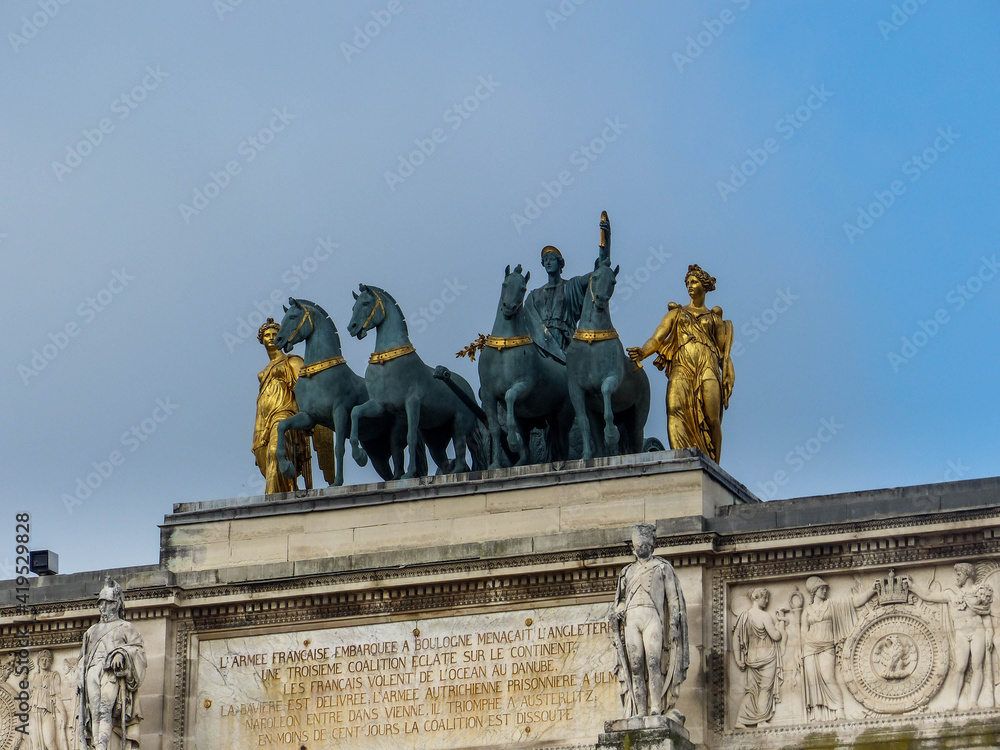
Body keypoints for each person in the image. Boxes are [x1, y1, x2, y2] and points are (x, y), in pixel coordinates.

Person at [628, 265, 734, 462]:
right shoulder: (676, 313)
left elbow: (724, 355)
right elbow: (657, 339)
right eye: (687, 283)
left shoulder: (714, 318)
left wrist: (729, 374)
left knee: (712, 418)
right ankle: (681, 461)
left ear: (704, 285)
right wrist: (643, 352)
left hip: (708, 366)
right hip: (682, 365)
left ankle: (714, 464)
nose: (690, 286)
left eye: (694, 282)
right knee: (674, 408)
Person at [611, 523, 689, 722]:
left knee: (653, 662)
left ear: (652, 545)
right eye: (638, 545)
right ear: (633, 547)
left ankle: (655, 707)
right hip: (632, 619)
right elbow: (621, 600)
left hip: (652, 617)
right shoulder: (627, 572)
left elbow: (673, 599)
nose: (642, 548)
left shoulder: (662, 567)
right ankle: (640, 710)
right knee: (636, 666)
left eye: (645, 545)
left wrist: (673, 625)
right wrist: (619, 609)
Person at [523, 212, 612, 360]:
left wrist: (605, 240)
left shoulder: (572, 285)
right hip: (539, 345)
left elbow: (599, 273)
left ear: (560, 263)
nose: (548, 262)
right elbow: (525, 321)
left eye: (552, 259)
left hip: (565, 343)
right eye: (545, 260)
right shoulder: (534, 295)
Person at [908, 563, 995, 709]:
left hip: (978, 630)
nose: (957, 578)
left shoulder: (979, 591)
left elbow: (985, 613)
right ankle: (954, 700)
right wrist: (912, 587)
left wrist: (990, 632)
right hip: (961, 632)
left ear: (967, 575)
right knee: (960, 667)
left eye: (959, 575)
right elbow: (929, 596)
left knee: (977, 666)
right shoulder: (951, 594)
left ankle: (973, 701)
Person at [77, 578, 146, 750]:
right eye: (101, 603)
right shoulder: (91, 631)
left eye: (106, 603)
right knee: (94, 710)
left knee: (105, 708)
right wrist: (79, 675)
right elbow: (82, 657)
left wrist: (122, 654)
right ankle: (96, 743)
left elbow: (138, 650)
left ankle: (102, 743)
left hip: (110, 672)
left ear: (116, 604)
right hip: (92, 670)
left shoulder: (125, 627)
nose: (102, 607)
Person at [800, 576, 876, 722]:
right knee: (813, 681)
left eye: (825, 589)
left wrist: (872, 590)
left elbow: (854, 602)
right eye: (822, 588)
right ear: (814, 591)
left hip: (827, 645)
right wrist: (799, 651)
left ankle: (839, 708)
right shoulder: (807, 611)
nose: (825, 591)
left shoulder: (832, 605)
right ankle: (817, 712)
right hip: (810, 647)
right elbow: (803, 631)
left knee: (828, 677)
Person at [253, 318, 312, 494]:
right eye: (267, 335)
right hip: (263, 419)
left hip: (285, 414)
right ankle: (286, 492)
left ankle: (273, 501)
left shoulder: (292, 361)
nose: (271, 337)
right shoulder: (264, 370)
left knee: (275, 452)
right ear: (262, 340)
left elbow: (304, 390)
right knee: (263, 459)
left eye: (275, 334)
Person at [732, 588, 786, 728]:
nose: (767, 601)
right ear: (757, 598)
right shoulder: (764, 616)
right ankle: (761, 721)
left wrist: (738, 659)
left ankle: (740, 720)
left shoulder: (743, 617)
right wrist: (781, 624)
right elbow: (776, 636)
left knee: (751, 690)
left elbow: (736, 638)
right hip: (767, 657)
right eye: (765, 597)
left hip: (751, 659)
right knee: (765, 689)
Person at [29, 649, 69, 750]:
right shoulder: (34, 676)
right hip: (33, 712)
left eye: (47, 659)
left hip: (47, 713)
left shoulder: (53, 675)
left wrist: (63, 713)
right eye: (42, 659)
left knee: (49, 742)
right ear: (38, 662)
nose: (44, 662)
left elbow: (56, 697)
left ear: (51, 662)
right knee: (35, 745)